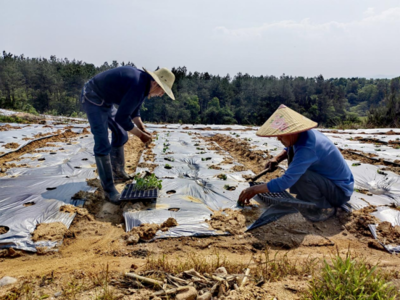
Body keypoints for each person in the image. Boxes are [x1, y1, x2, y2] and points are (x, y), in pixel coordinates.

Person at [238, 104, 354, 221]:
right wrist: (277, 158)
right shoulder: (303, 135)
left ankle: (323, 208)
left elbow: (286, 181)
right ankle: (312, 198)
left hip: (339, 192)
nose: (278, 139)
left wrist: (254, 189)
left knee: (300, 176)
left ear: (292, 132)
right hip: (329, 183)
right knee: (297, 169)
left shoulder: (308, 148)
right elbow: (289, 148)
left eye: (281, 135)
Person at [81, 66, 175, 204]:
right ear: (156, 83)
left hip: (106, 102)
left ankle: (117, 173)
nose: (161, 94)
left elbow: (134, 111)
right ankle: (109, 190)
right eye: (163, 90)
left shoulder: (143, 85)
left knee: (121, 134)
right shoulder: (138, 84)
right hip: (93, 98)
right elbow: (122, 118)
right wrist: (141, 136)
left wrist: (143, 129)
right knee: (102, 143)